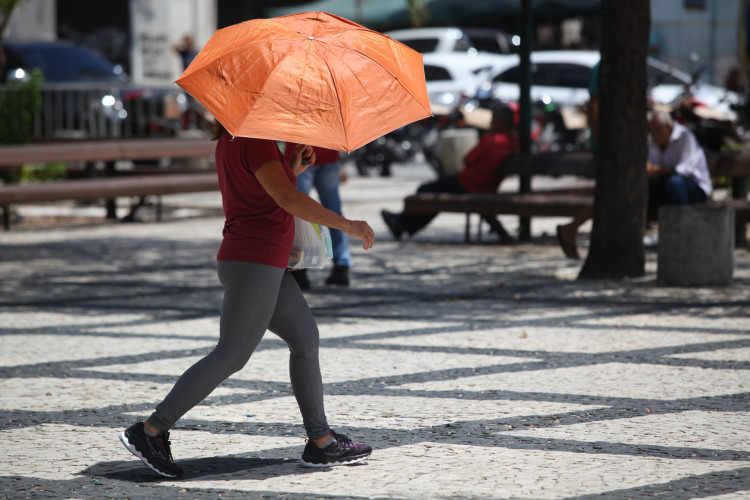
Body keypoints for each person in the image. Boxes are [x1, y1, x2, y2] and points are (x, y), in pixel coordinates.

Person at [118, 120, 375, 477]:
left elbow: (265, 191)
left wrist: (291, 168)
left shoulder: (238, 138)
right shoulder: (254, 139)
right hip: (254, 261)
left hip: (261, 261)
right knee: (232, 354)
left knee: (305, 340)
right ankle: (150, 430)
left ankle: (321, 442)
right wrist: (346, 224)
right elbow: (285, 198)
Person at [381, 104, 518, 242]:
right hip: (486, 187)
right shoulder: (513, 141)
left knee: (425, 191)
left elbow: (468, 159)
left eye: (494, 119)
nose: (491, 122)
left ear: (502, 122)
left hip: (467, 184)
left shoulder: (491, 139)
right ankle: (402, 224)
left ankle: (402, 223)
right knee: (434, 196)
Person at [283, 144, 352, 288]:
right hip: (328, 154)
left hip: (299, 154)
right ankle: (341, 265)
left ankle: (299, 266)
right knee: (333, 210)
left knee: (299, 212)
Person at [556, 61, 598, 259]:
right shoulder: (603, 67)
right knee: (611, 192)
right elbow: (595, 106)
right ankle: (571, 227)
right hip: (605, 145)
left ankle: (572, 228)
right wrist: (600, 141)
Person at [646, 108, 711, 218]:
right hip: (665, 185)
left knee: (675, 183)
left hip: (694, 187)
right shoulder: (651, 140)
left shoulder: (685, 136)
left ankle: (684, 221)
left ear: (667, 127)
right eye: (650, 131)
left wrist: (657, 170)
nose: (652, 135)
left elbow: (685, 170)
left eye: (656, 130)